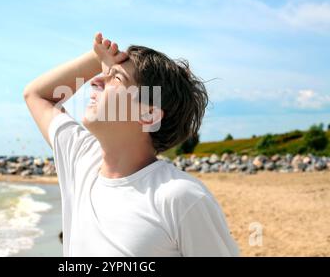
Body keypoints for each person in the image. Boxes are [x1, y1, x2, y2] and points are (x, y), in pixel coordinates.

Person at [23, 32, 239, 257]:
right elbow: (36, 95)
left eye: (115, 79)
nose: (95, 80)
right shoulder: (82, 159)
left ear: (148, 114)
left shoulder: (180, 197)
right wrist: (97, 59)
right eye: (103, 74)